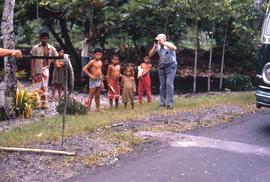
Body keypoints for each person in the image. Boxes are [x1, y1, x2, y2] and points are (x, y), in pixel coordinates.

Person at [149, 33, 177, 109]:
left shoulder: (168, 44)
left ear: (164, 39)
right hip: (162, 66)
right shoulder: (157, 46)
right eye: (158, 39)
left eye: (160, 39)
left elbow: (174, 48)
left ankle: (169, 104)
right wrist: (155, 46)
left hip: (171, 66)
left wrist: (164, 43)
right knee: (162, 85)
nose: (159, 40)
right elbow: (150, 55)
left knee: (169, 84)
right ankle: (162, 103)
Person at [31, 32, 58, 109]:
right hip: (37, 69)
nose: (45, 40)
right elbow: (32, 60)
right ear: (40, 38)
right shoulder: (35, 48)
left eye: (46, 38)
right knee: (36, 87)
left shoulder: (51, 48)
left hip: (46, 69)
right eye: (43, 38)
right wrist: (32, 71)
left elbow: (57, 56)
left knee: (45, 86)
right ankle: (35, 104)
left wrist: (58, 59)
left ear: (48, 39)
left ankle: (43, 104)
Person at [83, 48, 103, 112]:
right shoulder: (92, 62)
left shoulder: (100, 62)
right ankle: (88, 109)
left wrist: (102, 81)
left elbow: (100, 71)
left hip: (99, 79)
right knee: (91, 96)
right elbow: (84, 69)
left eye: (100, 55)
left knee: (98, 95)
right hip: (93, 80)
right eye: (97, 54)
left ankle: (98, 109)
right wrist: (90, 75)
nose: (98, 56)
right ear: (94, 55)